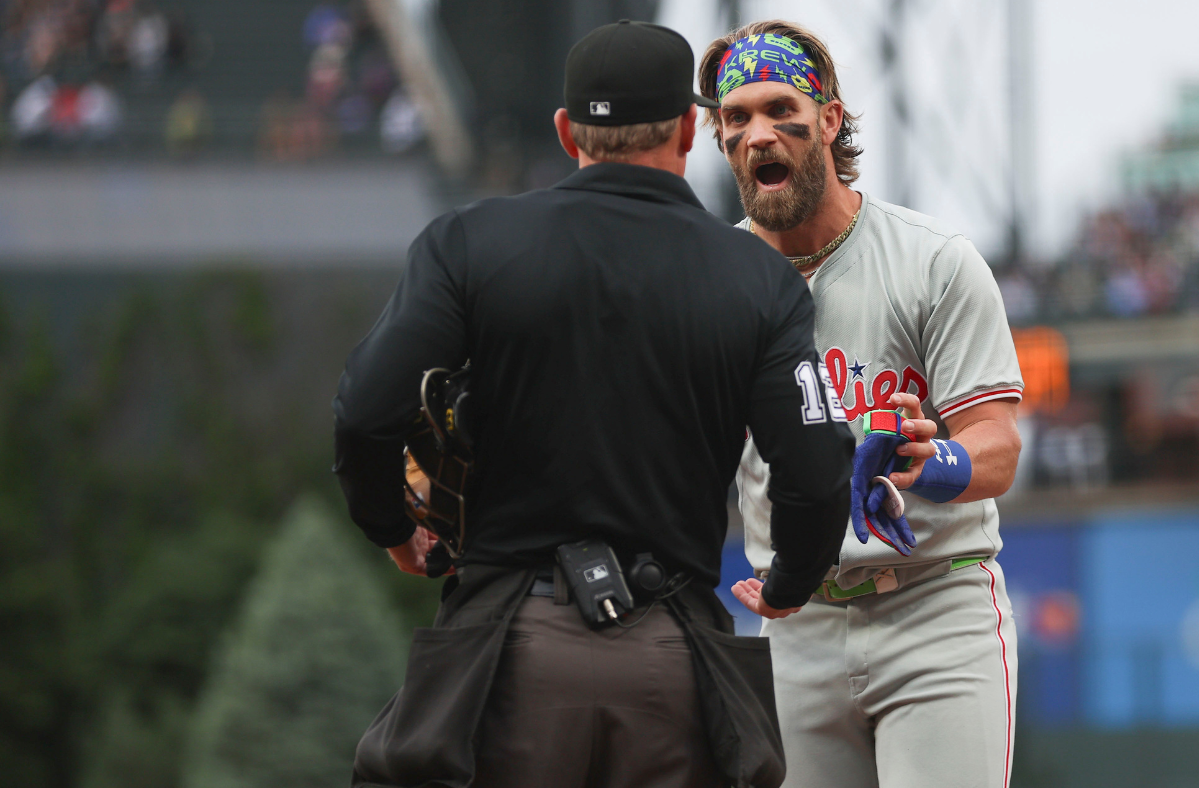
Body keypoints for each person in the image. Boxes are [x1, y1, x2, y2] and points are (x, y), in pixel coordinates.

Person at [333, 20, 853, 788]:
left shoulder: (469, 243)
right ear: (687, 130)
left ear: (566, 131)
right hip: (672, 661)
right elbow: (814, 469)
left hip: (504, 655)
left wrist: (391, 524)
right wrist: (790, 582)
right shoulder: (758, 278)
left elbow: (365, 413)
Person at [700, 20, 1025, 788]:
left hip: (935, 610)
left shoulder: (931, 259)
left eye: (782, 109)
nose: (758, 134)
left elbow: (999, 446)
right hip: (795, 623)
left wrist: (932, 459)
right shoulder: (713, 282)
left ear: (831, 119)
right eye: (736, 118)